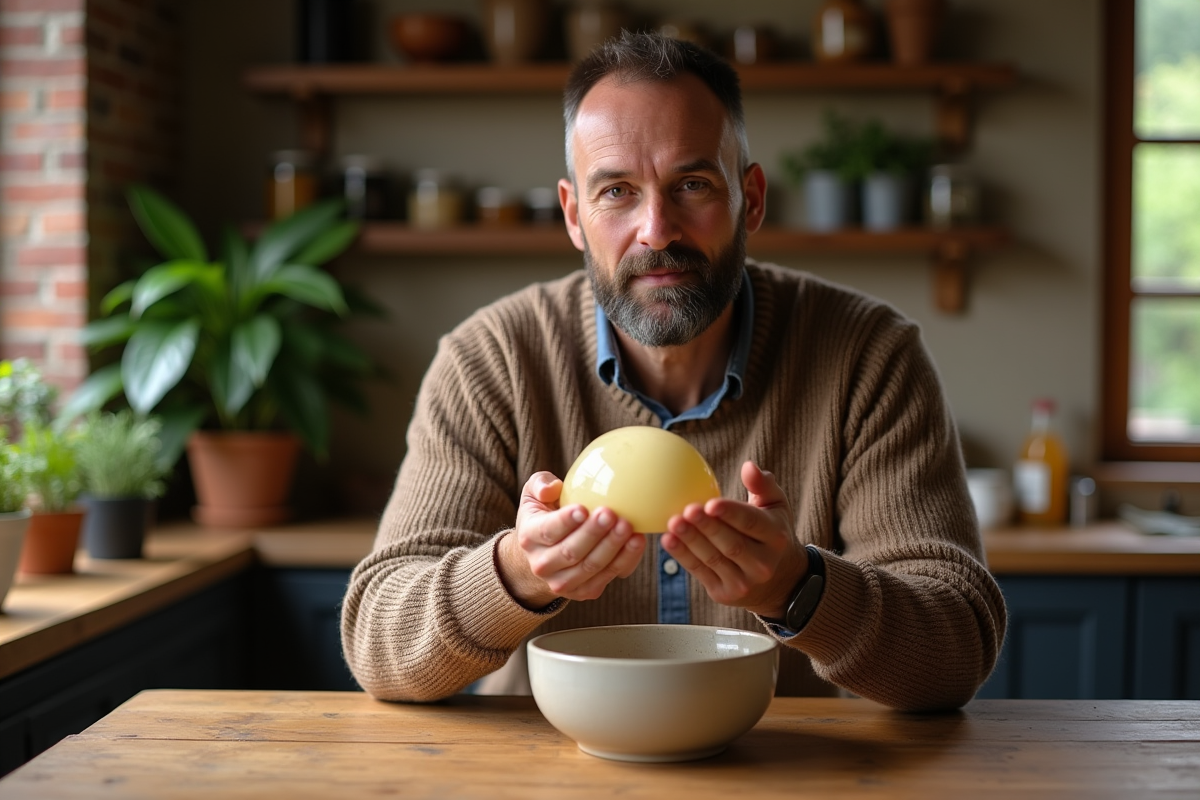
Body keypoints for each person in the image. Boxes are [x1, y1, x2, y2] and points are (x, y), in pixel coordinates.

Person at [341, 31, 1006, 712]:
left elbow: (956, 648)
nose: (656, 230)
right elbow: (379, 646)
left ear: (751, 197)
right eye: (617, 192)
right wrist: (516, 573)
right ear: (573, 215)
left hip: (785, 776)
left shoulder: (868, 356)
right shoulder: (490, 360)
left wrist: (797, 586)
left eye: (691, 184)